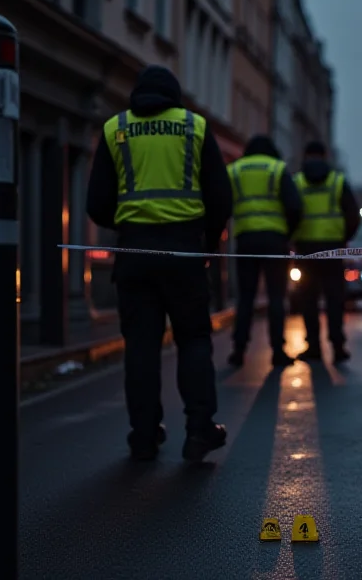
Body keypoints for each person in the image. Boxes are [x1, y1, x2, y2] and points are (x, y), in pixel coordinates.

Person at [86, 65, 232, 463]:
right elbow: (221, 198)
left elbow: (96, 205)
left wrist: (132, 227)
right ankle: (200, 431)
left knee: (141, 347)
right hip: (185, 252)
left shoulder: (116, 129)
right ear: (175, 96)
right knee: (194, 341)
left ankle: (145, 435)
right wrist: (207, 241)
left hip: (135, 255)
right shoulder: (195, 127)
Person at [226, 135, 302, 369]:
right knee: (276, 297)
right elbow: (295, 206)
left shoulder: (234, 170)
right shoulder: (278, 169)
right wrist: (287, 235)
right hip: (274, 241)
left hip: (246, 239)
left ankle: (238, 350)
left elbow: (222, 202)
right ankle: (278, 351)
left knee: (245, 297)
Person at [292, 141, 360, 363]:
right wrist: (342, 238)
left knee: (308, 299)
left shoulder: (298, 181)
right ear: (325, 156)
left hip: (306, 250)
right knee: (334, 299)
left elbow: (290, 211)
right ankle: (338, 346)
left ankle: (313, 347)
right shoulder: (337, 181)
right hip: (332, 249)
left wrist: (294, 237)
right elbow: (353, 216)